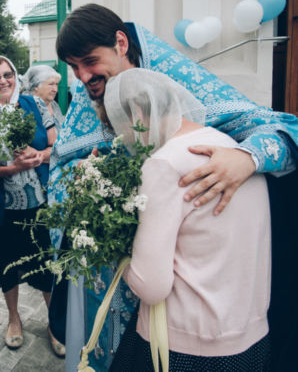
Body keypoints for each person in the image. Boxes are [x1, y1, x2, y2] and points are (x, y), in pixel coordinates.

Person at [50, 3, 298, 371]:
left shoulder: (179, 84)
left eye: (89, 60)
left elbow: (284, 128)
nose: (83, 77)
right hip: (109, 282)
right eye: (74, 67)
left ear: (120, 42)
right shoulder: (85, 103)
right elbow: (59, 170)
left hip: (189, 309)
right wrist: (81, 180)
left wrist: (246, 158)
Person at [104, 69, 271, 371]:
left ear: (139, 112)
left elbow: (151, 285)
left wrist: (114, 250)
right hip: (252, 338)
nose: (123, 138)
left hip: (187, 346)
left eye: (120, 126)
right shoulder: (233, 149)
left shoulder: (164, 164)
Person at [0, 55, 65, 357]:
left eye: (7, 75)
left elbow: (59, 148)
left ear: (15, 76)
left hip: (39, 202)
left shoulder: (36, 106)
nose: (3, 81)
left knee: (45, 264)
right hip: (2, 208)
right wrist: (13, 168)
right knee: (7, 266)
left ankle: (55, 324)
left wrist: (37, 156)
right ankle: (14, 319)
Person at [20, 64, 65, 130]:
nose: (55, 90)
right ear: (36, 86)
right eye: (51, 84)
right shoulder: (26, 107)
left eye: (56, 84)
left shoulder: (53, 105)